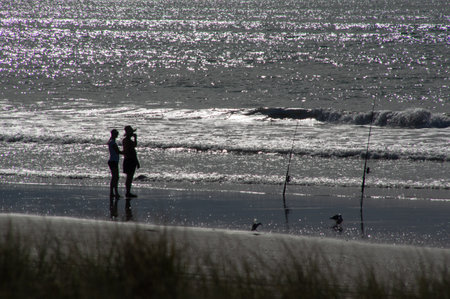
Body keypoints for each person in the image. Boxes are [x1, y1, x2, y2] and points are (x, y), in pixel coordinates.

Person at [122, 125, 140, 198]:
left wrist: (135, 138)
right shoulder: (129, 141)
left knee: (128, 177)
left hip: (126, 160)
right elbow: (133, 152)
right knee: (130, 177)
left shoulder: (125, 141)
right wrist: (137, 162)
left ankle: (128, 192)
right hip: (131, 160)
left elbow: (133, 146)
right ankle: (128, 192)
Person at [108, 129, 122, 198]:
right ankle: (115, 192)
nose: (117, 135)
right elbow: (118, 151)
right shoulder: (112, 142)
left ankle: (113, 192)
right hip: (113, 161)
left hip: (113, 161)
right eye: (116, 133)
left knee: (115, 177)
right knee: (115, 177)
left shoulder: (111, 141)